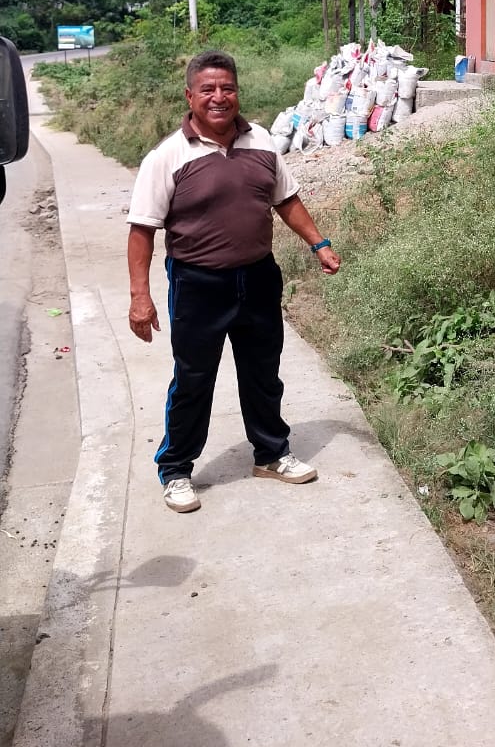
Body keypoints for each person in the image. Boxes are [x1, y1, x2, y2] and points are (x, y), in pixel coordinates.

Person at [126, 50, 341, 514]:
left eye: (227, 88)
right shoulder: (168, 156)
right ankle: (176, 469)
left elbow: (286, 199)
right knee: (193, 379)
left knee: (263, 372)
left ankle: (271, 454)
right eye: (208, 89)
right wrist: (140, 297)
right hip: (197, 283)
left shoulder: (260, 140)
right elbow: (142, 229)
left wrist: (318, 243)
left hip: (258, 277)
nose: (219, 97)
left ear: (238, 93)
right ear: (190, 96)